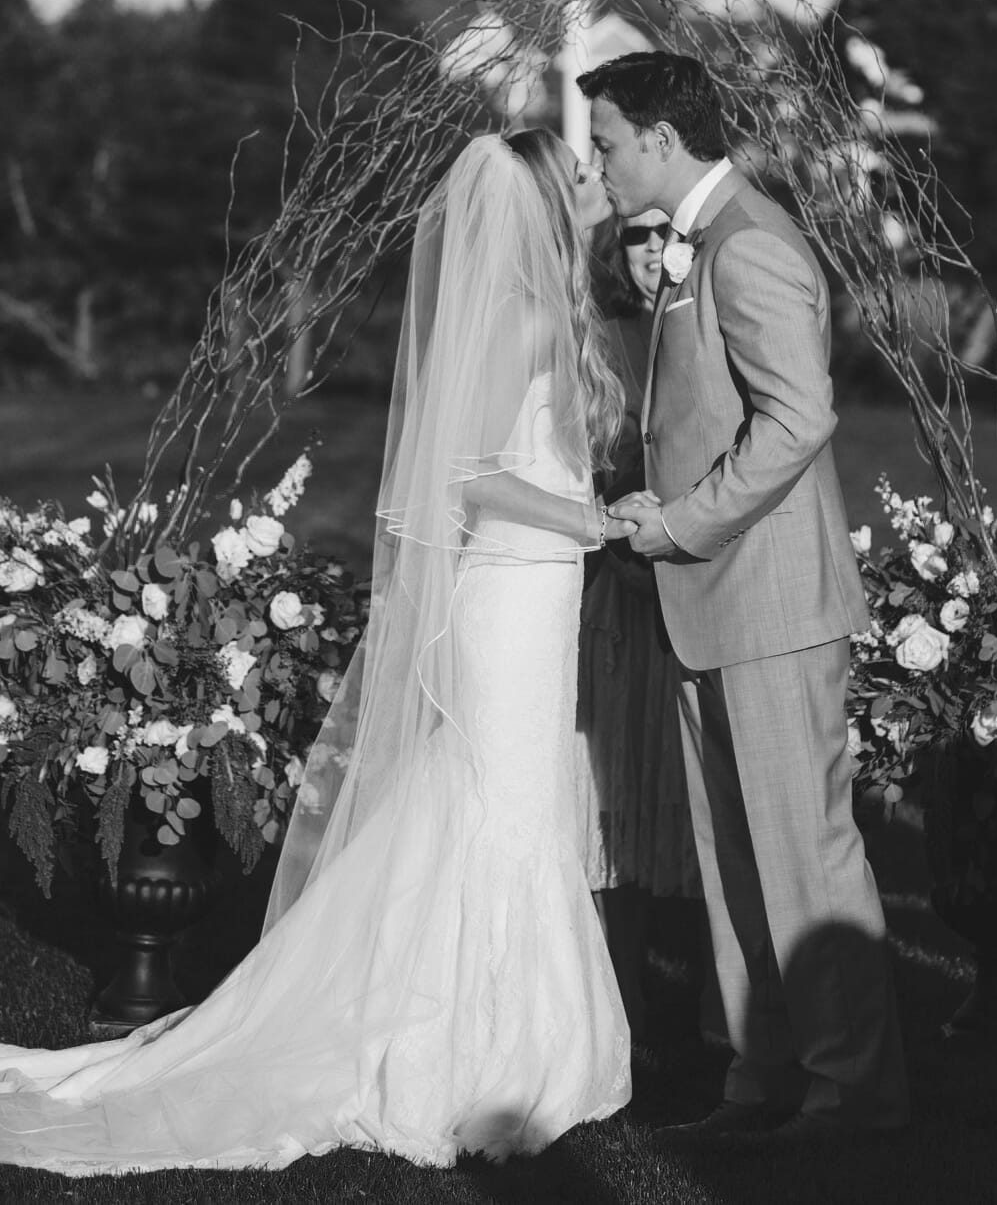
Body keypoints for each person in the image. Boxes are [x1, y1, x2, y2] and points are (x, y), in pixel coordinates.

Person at [0, 130, 637, 1174]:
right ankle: (460, 1047)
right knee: (495, 803)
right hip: (508, 601)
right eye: (569, 179)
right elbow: (461, 478)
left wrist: (585, 519)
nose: (584, 187)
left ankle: (520, 1037)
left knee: (513, 802)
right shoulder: (522, 322)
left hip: (538, 597)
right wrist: (590, 522)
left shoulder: (546, 317)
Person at [579, 51, 909, 1151]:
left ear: (663, 141)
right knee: (732, 858)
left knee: (803, 855)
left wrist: (678, 522)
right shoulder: (698, 245)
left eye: (610, 142)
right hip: (705, 599)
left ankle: (846, 1096)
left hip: (765, 601)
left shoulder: (751, 242)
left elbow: (797, 420)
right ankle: (759, 1078)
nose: (602, 163)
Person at [575, 209, 704, 1038]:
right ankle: (616, 995)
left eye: (667, 234)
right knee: (612, 792)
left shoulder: (701, 327)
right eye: (637, 236)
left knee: (689, 798)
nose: (656, 250)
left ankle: (701, 1000)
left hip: (694, 586)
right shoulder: (600, 341)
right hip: (612, 593)